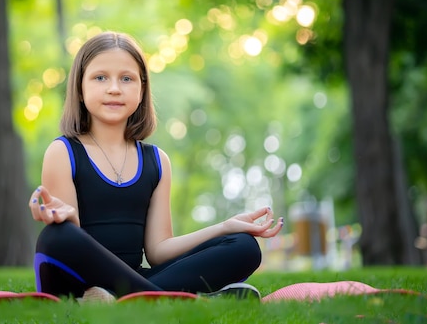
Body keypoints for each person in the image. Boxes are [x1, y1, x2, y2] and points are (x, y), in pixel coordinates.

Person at [28, 31, 283, 302]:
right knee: (58, 236)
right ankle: (166, 298)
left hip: (133, 278)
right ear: (80, 88)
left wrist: (225, 227)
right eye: (100, 77)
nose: (114, 88)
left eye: (126, 79)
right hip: (76, 280)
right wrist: (64, 219)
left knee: (244, 246)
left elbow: (158, 250)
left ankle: (122, 300)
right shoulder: (63, 151)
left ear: (141, 90)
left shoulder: (157, 161)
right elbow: (74, 244)